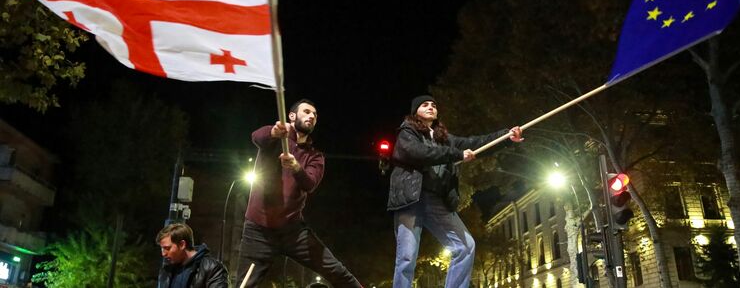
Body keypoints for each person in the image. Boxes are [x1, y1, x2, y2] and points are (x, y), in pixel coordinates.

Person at [388, 95, 524, 288]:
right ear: (415, 111)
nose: (430, 107)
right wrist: (457, 154)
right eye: (424, 105)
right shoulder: (407, 132)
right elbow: (417, 153)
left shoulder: (445, 139)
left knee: (465, 246)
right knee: (407, 256)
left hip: (437, 201)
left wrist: (506, 137)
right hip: (411, 199)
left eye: (434, 105)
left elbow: (476, 143)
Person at [236, 99, 362, 288]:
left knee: (337, 271)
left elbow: (309, 183)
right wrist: (273, 131)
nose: (311, 116)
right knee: (244, 285)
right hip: (258, 230)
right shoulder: (277, 137)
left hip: (293, 231)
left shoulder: (315, 156)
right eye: (306, 111)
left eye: (315, 114)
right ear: (292, 116)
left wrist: (296, 167)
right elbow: (257, 137)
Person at [157, 223, 228, 288]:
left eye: (167, 248)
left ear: (182, 245)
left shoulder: (212, 268)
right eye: (162, 249)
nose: (163, 254)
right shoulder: (167, 269)